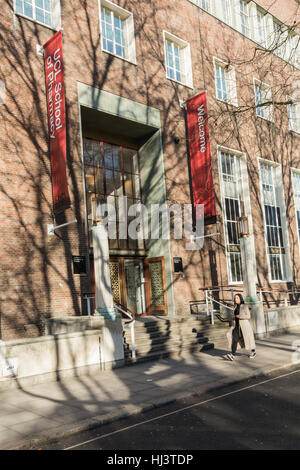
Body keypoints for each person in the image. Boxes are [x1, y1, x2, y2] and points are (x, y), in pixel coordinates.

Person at [226, 293, 256, 361]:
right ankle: (232, 355)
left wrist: (240, 317)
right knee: (234, 339)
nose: (235, 299)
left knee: (248, 339)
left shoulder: (244, 306)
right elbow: (236, 316)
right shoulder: (235, 306)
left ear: (240, 298)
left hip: (244, 326)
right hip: (236, 326)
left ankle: (253, 351)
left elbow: (248, 316)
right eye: (235, 298)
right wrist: (233, 317)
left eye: (237, 298)